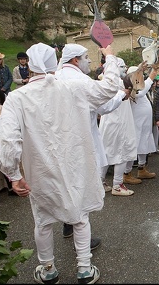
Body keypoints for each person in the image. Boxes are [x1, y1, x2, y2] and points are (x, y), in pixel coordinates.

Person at [0, 42, 121, 284]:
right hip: (75, 164)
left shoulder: (18, 97)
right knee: (80, 215)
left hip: (40, 170)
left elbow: (8, 140)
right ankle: (84, 268)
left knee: (43, 220)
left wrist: (14, 175)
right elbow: (108, 89)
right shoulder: (74, 86)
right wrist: (111, 58)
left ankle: (48, 269)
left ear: (29, 66)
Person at [54, 43, 127, 248]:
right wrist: (121, 93)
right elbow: (105, 105)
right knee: (82, 191)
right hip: (81, 144)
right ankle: (82, 244)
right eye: (86, 57)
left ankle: (68, 224)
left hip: (60, 144)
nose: (89, 61)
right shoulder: (81, 81)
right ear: (75, 60)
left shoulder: (54, 78)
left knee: (67, 186)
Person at [99, 58, 138, 194]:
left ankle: (100, 182)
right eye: (121, 67)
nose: (124, 70)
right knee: (121, 152)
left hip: (109, 123)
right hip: (118, 124)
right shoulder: (117, 83)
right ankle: (117, 185)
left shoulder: (106, 82)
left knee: (106, 152)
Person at [123, 64, 158, 181]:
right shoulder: (131, 89)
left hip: (144, 123)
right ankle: (126, 173)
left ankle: (142, 169)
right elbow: (141, 93)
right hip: (136, 123)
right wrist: (152, 75)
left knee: (144, 144)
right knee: (135, 145)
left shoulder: (140, 86)